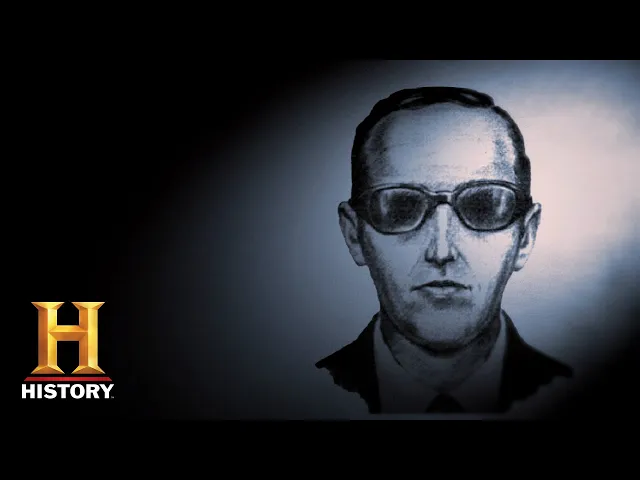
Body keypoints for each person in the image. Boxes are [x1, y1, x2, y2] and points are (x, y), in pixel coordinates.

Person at [315, 86, 573, 415]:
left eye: (484, 205)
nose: (441, 251)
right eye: (400, 207)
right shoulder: (287, 398)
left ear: (525, 237)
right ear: (354, 235)